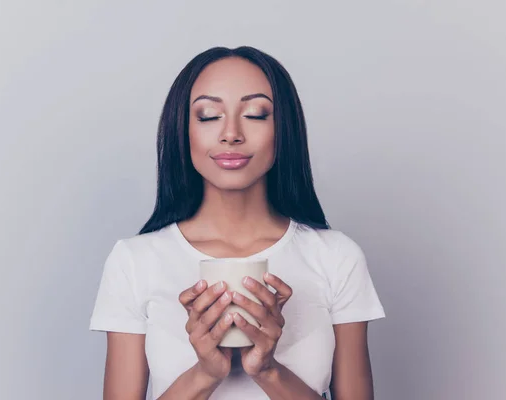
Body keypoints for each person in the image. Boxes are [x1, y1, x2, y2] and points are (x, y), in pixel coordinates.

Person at [89, 46, 385, 400]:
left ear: (284, 131)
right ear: (183, 132)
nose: (231, 133)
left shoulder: (336, 257)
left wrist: (268, 370)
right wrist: (205, 374)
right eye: (209, 115)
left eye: (256, 114)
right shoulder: (134, 261)